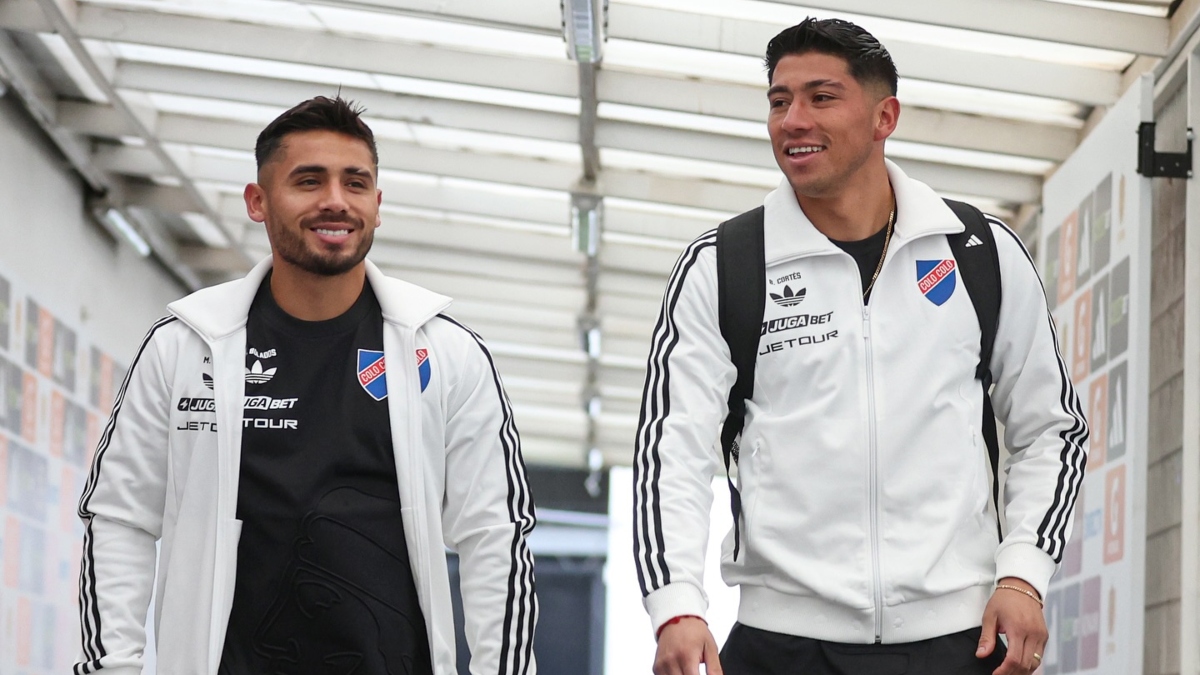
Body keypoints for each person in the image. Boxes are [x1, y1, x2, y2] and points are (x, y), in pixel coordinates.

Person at [633, 18, 1087, 675]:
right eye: (779, 100)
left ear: (884, 117)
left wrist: (1023, 574)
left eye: (821, 97)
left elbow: (1052, 428)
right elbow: (670, 447)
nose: (793, 119)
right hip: (779, 645)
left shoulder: (978, 251)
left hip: (961, 642)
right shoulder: (725, 265)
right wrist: (676, 605)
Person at [74, 96, 538, 675]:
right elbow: (119, 516)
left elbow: (496, 533)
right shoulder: (185, 345)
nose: (335, 200)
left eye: (356, 183)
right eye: (309, 181)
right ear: (258, 201)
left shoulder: (447, 353)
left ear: (377, 205)